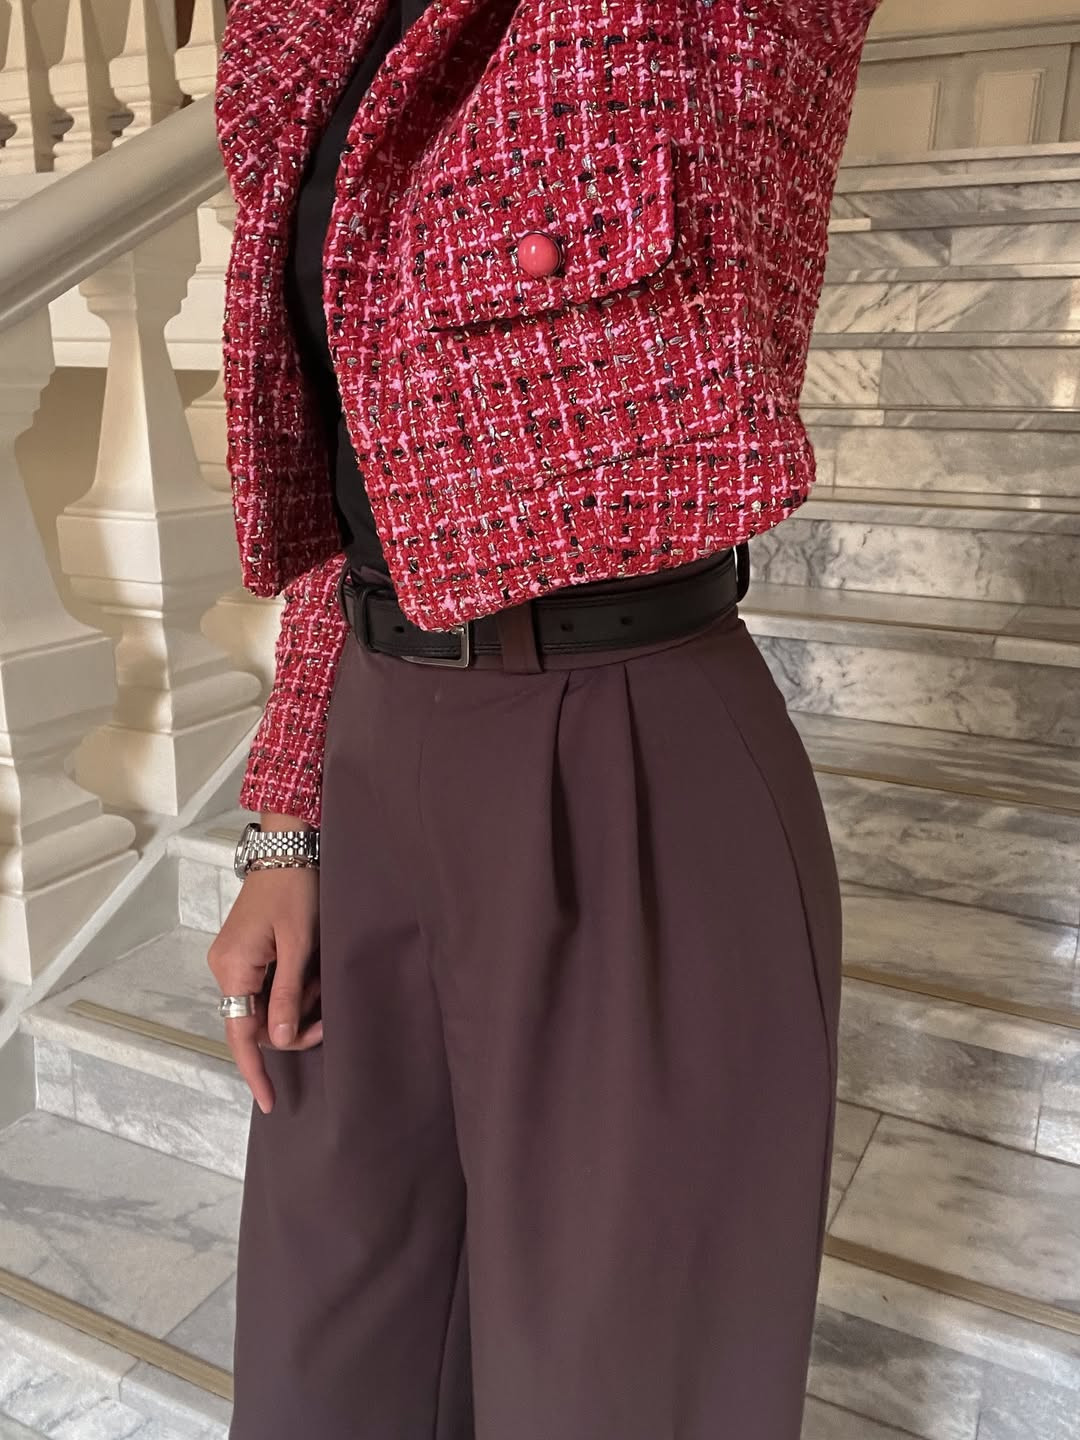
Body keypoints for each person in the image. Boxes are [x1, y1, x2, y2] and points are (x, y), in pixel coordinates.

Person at [209, 0, 882, 1434]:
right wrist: (286, 823)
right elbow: (356, 482)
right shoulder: (308, 29)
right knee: (325, 1372)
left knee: (615, 1392)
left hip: (627, 755)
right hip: (370, 752)